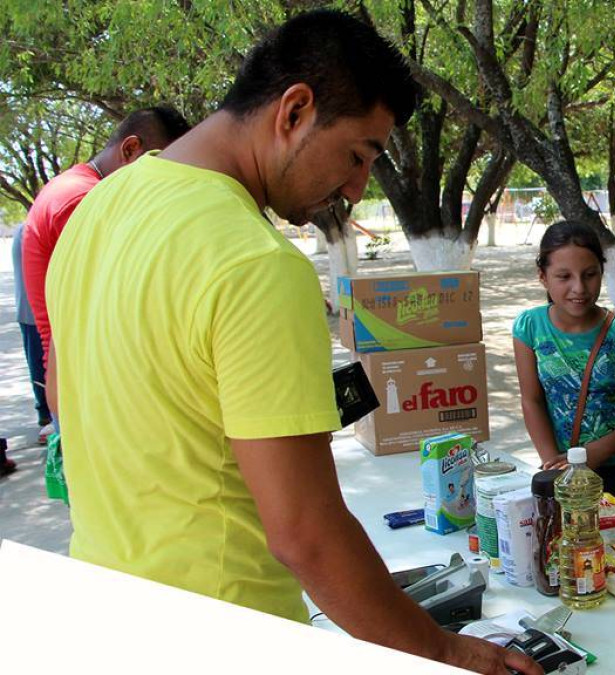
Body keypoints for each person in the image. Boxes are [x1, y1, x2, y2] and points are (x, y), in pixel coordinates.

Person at [45, 10, 538, 675]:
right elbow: (305, 534)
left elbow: (64, 397)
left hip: (104, 613)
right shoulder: (257, 263)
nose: (357, 187)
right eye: (358, 154)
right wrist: (442, 649)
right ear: (295, 110)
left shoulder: (97, 209)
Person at [22, 106, 191, 374]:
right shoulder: (82, 200)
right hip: (81, 374)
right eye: (158, 164)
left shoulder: (73, 187)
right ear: (130, 149)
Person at [514, 221, 615, 518]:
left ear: (601, 272)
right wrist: (553, 466)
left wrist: (594, 453)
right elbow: (532, 400)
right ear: (543, 276)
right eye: (564, 276)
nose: (579, 288)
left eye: (590, 274)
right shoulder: (529, 327)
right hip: (562, 472)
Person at [12, 223, 53, 444]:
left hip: (32, 310)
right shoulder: (27, 231)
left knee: (39, 361)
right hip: (34, 312)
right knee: (40, 362)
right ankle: (46, 412)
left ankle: (47, 412)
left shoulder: (27, 229)